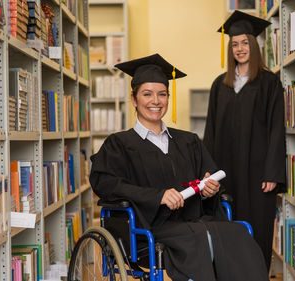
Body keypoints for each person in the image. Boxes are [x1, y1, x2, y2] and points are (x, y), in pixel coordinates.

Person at [89, 54, 269, 281]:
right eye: (147, 94)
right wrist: (158, 196)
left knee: (237, 232)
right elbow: (105, 184)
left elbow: (209, 179)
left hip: (196, 221)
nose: (155, 101)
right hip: (151, 228)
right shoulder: (119, 144)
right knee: (198, 239)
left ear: (168, 98)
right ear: (134, 99)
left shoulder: (189, 141)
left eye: (162, 94)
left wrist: (209, 190)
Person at [203, 10, 287, 269]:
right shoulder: (220, 85)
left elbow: (276, 129)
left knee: (257, 228)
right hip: (225, 172)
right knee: (226, 227)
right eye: (235, 44)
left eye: (245, 43)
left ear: (254, 45)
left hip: (258, 174)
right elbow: (211, 130)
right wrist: (207, 171)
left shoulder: (269, 83)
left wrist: (272, 172)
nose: (240, 49)